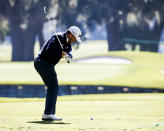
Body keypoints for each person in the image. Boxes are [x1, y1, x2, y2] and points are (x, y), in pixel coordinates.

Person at [34, 26, 81, 121]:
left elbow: (70, 56)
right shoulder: (57, 37)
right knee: (54, 87)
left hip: (48, 65)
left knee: (53, 87)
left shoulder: (68, 44)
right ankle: (48, 114)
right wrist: (60, 53)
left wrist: (68, 56)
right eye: (74, 37)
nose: (75, 40)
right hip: (42, 62)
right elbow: (49, 50)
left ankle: (48, 113)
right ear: (70, 34)